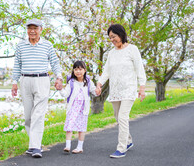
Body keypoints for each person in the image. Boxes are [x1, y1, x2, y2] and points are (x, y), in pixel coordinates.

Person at [11, 18, 63, 158]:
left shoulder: (47, 45)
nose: (32, 31)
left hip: (42, 80)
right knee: (28, 116)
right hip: (25, 80)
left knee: (38, 115)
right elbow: (17, 65)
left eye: (35, 28)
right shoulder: (21, 46)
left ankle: (35, 147)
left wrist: (59, 77)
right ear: (27, 30)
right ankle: (33, 144)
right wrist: (14, 82)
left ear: (41, 29)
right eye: (30, 28)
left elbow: (55, 62)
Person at [97, 24, 146, 158]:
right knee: (118, 117)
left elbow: (139, 68)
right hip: (115, 90)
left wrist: (142, 87)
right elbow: (106, 71)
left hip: (128, 89)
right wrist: (99, 83)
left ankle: (121, 148)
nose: (112, 40)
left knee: (123, 117)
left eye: (114, 36)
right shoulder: (111, 53)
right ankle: (128, 141)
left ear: (121, 35)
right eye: (110, 38)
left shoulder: (132, 49)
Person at [59, 61, 101, 154]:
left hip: (83, 108)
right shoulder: (71, 82)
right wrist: (61, 89)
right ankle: (68, 145)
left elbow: (94, 91)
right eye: (76, 69)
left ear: (85, 70)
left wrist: (98, 91)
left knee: (81, 128)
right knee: (69, 125)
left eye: (80, 69)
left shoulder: (88, 81)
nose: (78, 71)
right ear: (73, 71)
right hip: (73, 107)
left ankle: (79, 147)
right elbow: (65, 94)